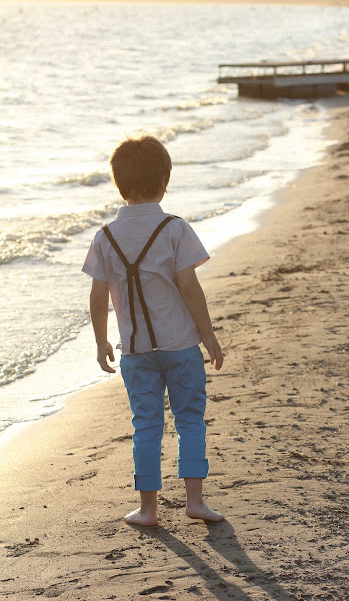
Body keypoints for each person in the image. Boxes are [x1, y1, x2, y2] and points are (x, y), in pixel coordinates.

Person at [82, 134, 224, 526]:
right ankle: (195, 502)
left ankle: (148, 509)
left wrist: (100, 341)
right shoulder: (175, 229)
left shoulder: (105, 236)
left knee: (146, 425)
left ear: (119, 183)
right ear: (165, 180)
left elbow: (97, 297)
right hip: (180, 346)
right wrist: (208, 335)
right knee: (190, 419)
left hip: (136, 352)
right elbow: (189, 288)